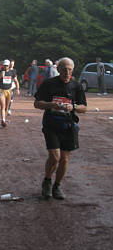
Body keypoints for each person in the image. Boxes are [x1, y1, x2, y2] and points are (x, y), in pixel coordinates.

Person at [34, 57, 87, 200]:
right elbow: (37, 104)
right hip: (51, 125)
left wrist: (73, 107)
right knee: (55, 156)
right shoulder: (49, 84)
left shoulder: (76, 86)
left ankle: (57, 185)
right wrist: (52, 105)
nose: (67, 72)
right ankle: (47, 181)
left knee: (64, 159)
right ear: (58, 69)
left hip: (68, 126)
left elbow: (84, 107)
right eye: (64, 69)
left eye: (70, 69)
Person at [0, 59, 20, 127]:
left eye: (7, 65)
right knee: (3, 106)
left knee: (6, 107)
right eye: (4, 65)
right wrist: (0, 76)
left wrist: (17, 89)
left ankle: (4, 119)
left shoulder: (12, 72)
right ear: (3, 65)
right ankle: (3, 120)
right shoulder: (0, 72)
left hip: (9, 91)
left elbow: (16, 81)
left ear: (9, 66)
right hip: (1, 90)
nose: (5, 67)